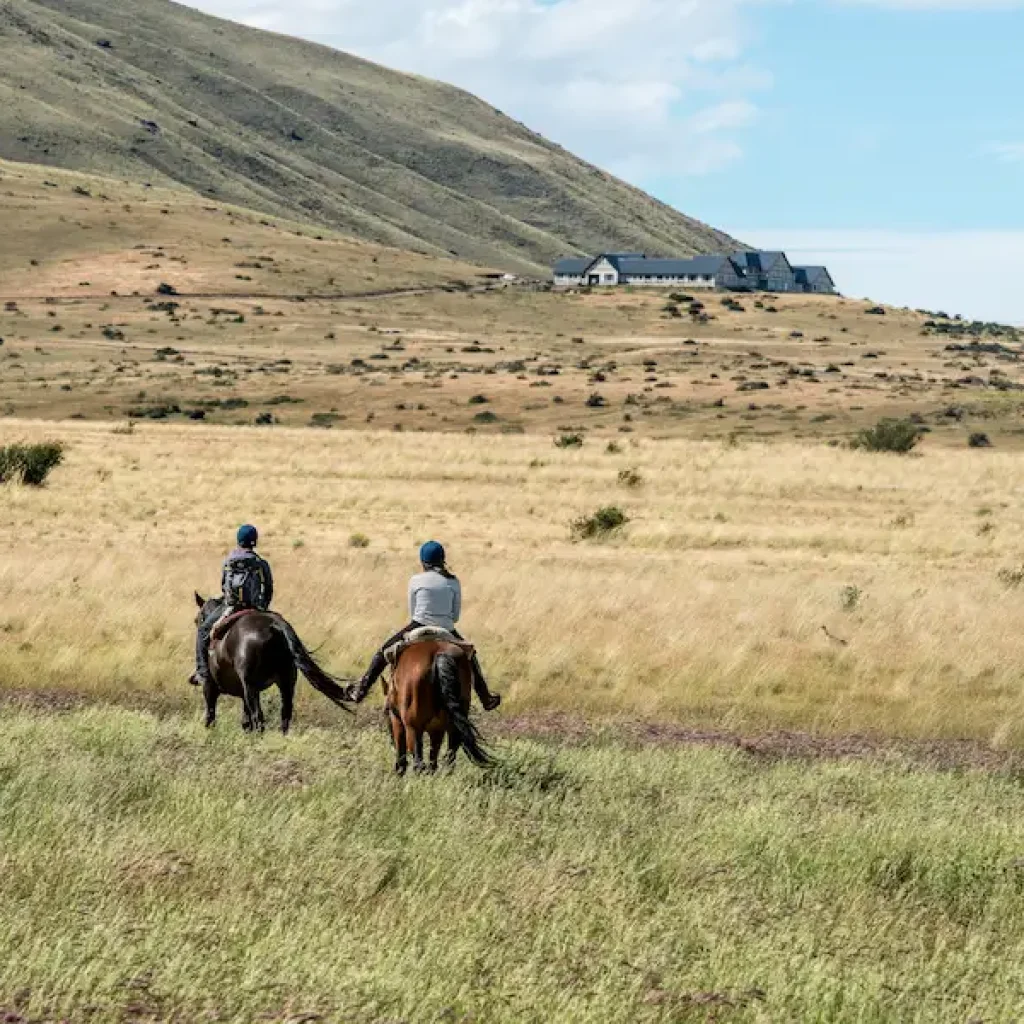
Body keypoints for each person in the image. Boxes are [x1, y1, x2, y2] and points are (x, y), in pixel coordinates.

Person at [346, 541, 501, 710]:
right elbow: (455, 616)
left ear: (423, 561)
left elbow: (413, 612)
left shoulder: (415, 580)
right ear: (443, 560)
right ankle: (485, 697)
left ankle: (361, 690)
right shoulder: (453, 581)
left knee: (382, 653)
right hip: (447, 628)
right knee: (471, 658)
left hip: (418, 624)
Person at [189, 524, 274, 687]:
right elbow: (268, 587)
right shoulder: (260, 562)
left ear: (239, 541)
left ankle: (202, 672)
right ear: (254, 541)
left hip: (232, 606)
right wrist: (262, 606)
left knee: (203, 630)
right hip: (256, 606)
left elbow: (223, 585)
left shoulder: (228, 561)